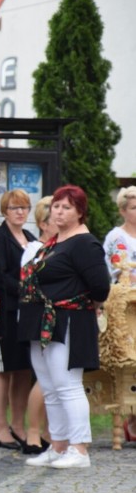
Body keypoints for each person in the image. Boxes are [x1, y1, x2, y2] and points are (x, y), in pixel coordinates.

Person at [19, 185, 109, 469]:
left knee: (68, 385)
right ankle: (58, 446)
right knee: (50, 387)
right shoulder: (54, 242)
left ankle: (79, 449)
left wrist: (81, 306)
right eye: (56, 206)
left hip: (69, 320)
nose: (58, 211)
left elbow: (100, 288)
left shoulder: (84, 243)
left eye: (66, 207)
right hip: (43, 322)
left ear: (80, 212)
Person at [0, 190, 36, 452]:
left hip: (26, 313)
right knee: (2, 368)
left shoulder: (30, 238)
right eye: (15, 208)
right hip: (5, 312)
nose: (20, 212)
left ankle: (18, 424)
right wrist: (22, 288)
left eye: (24, 207)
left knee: (23, 369)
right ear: (5, 210)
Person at [20, 196, 54, 455]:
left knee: (55, 380)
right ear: (43, 223)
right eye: (56, 216)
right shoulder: (34, 249)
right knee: (44, 378)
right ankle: (33, 431)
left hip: (56, 318)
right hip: (40, 317)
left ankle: (48, 432)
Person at [102, 186, 136, 441]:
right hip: (127, 304)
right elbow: (115, 270)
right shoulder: (117, 237)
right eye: (134, 207)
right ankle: (129, 419)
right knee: (129, 361)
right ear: (123, 210)